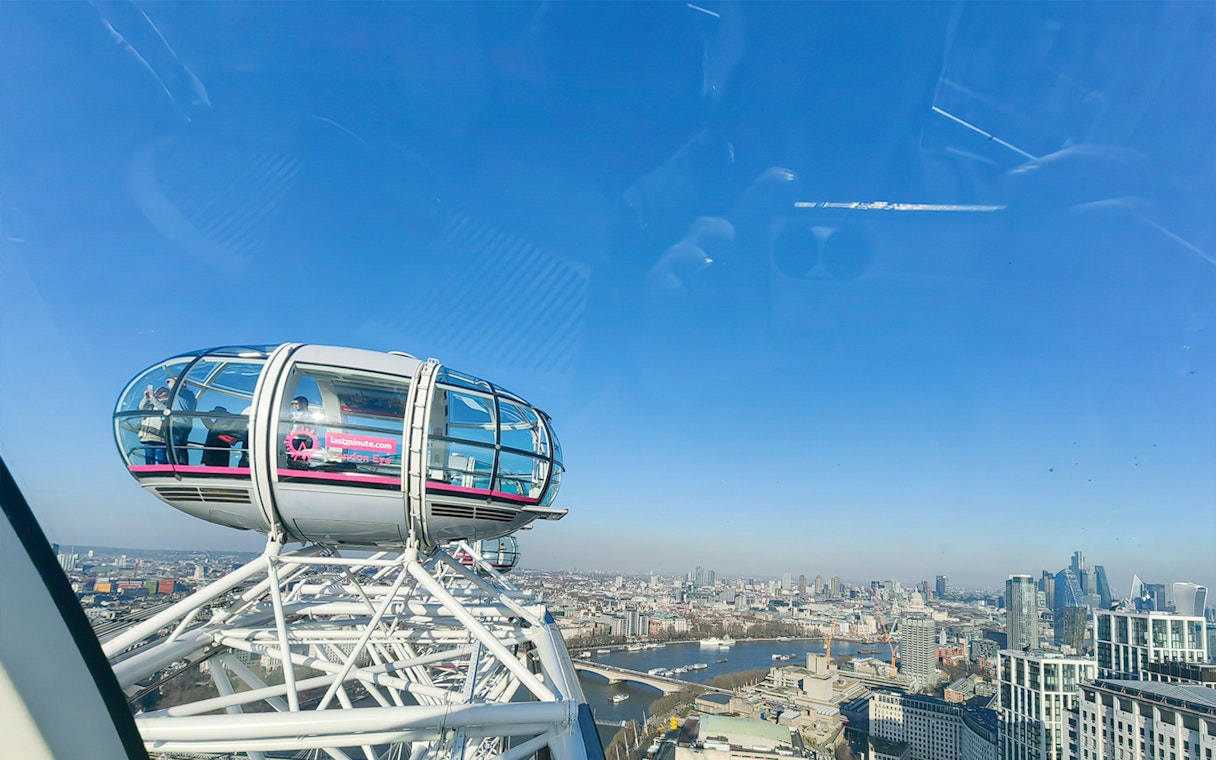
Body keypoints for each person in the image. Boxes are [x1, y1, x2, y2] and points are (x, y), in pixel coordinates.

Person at [166, 374, 197, 464]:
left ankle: (174, 465)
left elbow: (174, 387)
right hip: (187, 423)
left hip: (178, 422)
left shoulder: (183, 392)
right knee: (182, 446)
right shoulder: (190, 395)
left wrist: (174, 381)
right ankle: (183, 465)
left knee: (174, 445)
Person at [137, 385, 171, 464]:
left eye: (163, 392)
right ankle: (150, 472)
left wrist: (152, 398)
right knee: (149, 457)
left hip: (160, 435)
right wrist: (146, 397)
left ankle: (164, 473)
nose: (161, 393)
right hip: (148, 435)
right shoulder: (151, 404)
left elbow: (162, 408)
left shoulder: (168, 403)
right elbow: (141, 408)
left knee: (161, 457)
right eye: (159, 392)